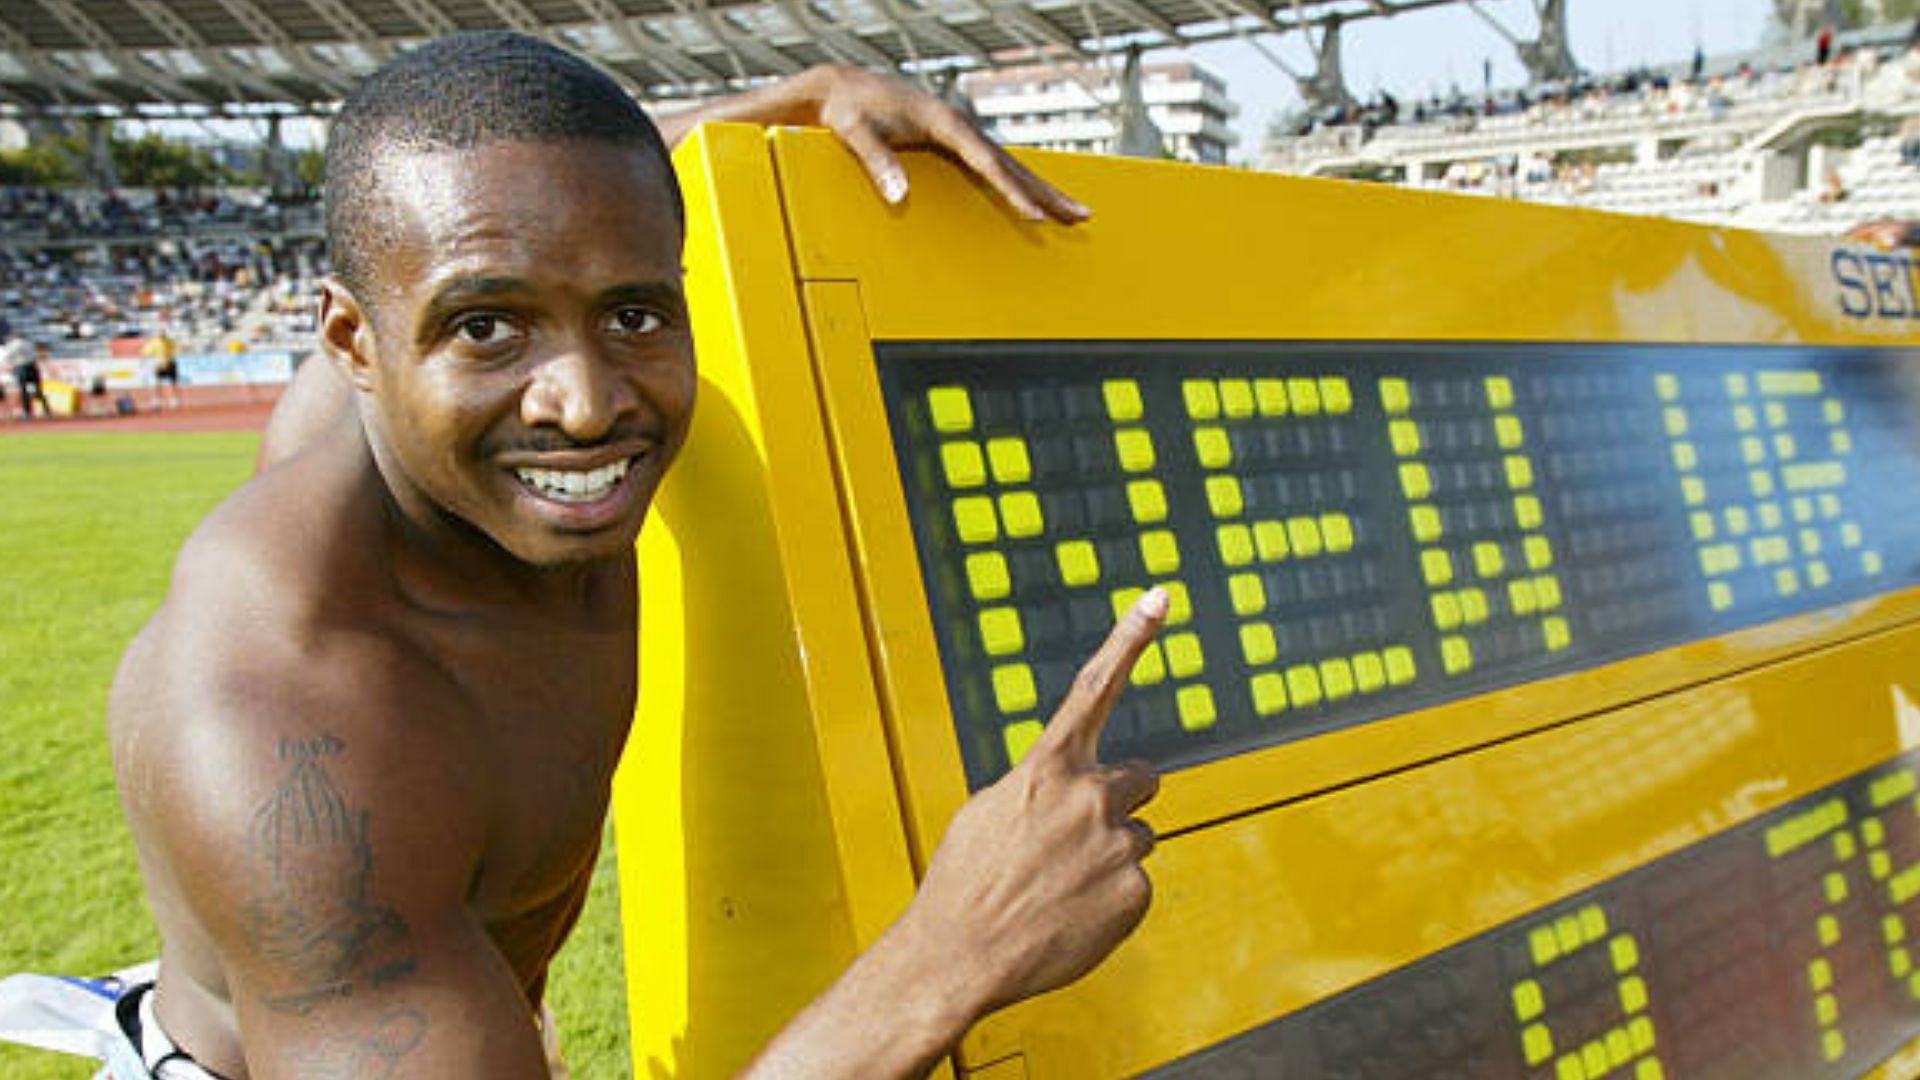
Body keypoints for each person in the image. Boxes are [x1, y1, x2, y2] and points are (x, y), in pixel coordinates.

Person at [107, 30, 1159, 1080]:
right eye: (489, 328)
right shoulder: (290, 732)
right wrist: (951, 955)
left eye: (635, 312)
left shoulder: (458, 392)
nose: (588, 402)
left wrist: (801, 93)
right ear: (351, 346)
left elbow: (552, 219)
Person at [143, 329, 182, 412]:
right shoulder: (153, 343)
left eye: (163, 333)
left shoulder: (169, 341)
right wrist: (154, 362)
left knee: (173, 383)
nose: (161, 334)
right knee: (158, 383)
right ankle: (157, 401)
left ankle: (174, 400)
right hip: (159, 365)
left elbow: (176, 350)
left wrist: (170, 358)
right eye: (160, 333)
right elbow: (147, 353)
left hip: (170, 363)